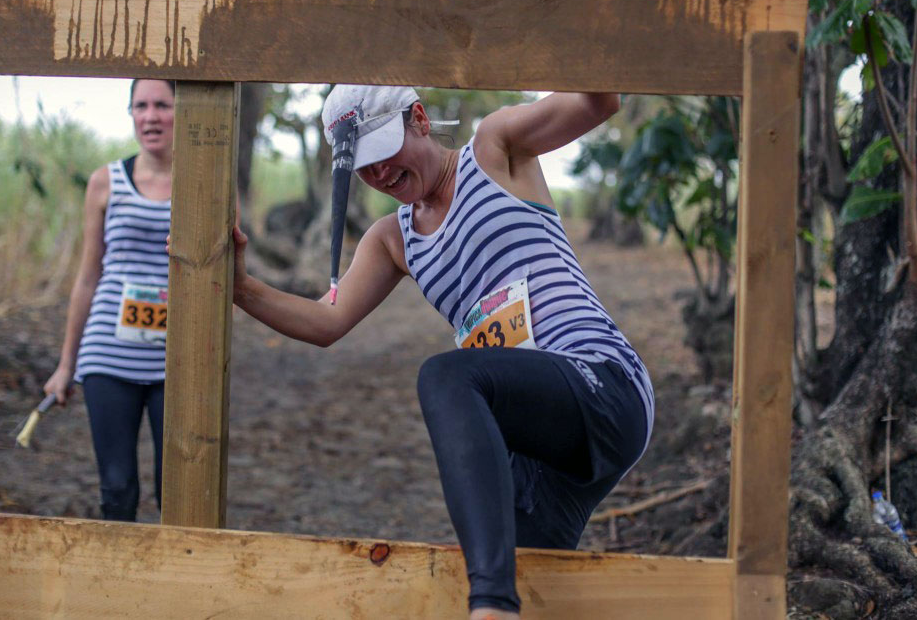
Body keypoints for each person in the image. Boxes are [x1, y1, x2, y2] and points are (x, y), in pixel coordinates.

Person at [230, 85, 653, 619]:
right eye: (362, 168)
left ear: (421, 120)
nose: (379, 175)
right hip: (536, 449)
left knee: (446, 378)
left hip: (601, 383)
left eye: (383, 153)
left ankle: (492, 607)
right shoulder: (392, 239)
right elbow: (326, 322)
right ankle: (498, 601)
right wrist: (242, 289)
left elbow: (600, 103)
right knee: (525, 582)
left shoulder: (495, 148)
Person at [43, 79, 174, 522]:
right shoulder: (106, 181)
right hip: (108, 352)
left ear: (184, 113)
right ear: (131, 114)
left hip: (177, 359)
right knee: (117, 489)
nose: (150, 116)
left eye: (162, 105)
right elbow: (87, 277)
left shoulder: (208, 185)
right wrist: (66, 365)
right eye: (140, 106)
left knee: (175, 491)